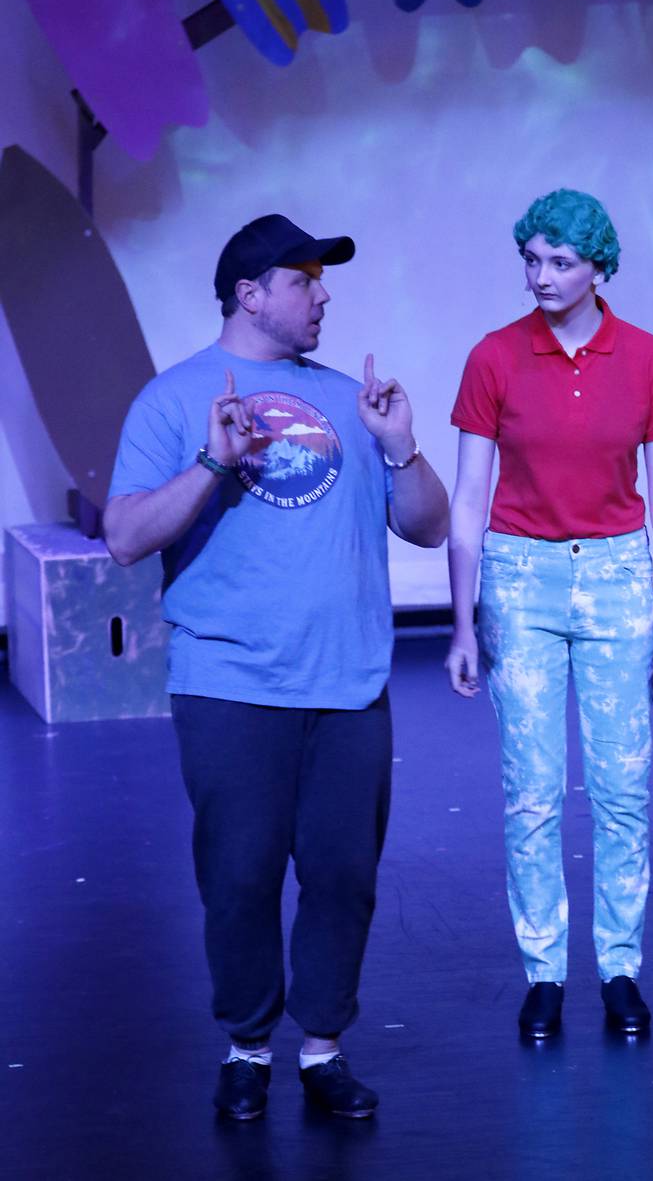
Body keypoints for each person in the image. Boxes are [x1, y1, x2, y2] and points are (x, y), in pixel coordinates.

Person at [104, 213, 448, 1119]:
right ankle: (247, 1048)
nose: (323, 293)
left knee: (343, 875)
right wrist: (214, 463)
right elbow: (125, 536)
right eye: (304, 280)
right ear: (250, 294)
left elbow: (428, 524)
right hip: (230, 685)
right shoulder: (173, 399)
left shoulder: (348, 400)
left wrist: (400, 442)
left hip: (348, 682)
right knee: (241, 876)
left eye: (321, 280)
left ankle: (323, 1049)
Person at [446, 188, 653, 1039]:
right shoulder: (494, 357)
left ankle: (619, 967)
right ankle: (544, 971)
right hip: (518, 577)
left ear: (599, 268)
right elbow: (469, 496)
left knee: (624, 789)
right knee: (534, 790)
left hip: (622, 574)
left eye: (559, 262)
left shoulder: (648, 358)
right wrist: (462, 622)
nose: (539, 276)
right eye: (532, 258)